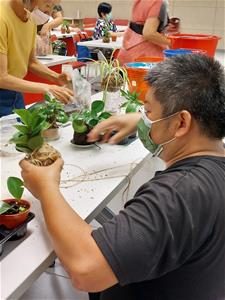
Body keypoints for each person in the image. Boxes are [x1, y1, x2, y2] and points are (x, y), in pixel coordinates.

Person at [20, 54, 225, 300]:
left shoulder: (177, 194)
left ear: (181, 122)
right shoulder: (213, 168)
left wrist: (46, 188)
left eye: (149, 111)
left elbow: (86, 270)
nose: (145, 119)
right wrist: (142, 120)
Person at [0, 0, 73, 118]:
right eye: (47, 4)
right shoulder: (2, 16)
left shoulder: (30, 21)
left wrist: (56, 78)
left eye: (53, 7)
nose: (49, 12)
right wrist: (47, 88)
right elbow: (2, 77)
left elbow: (31, 62)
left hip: (16, 92)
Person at [117, 0, 171, 65]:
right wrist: (173, 42)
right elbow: (149, 33)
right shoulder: (157, 2)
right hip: (145, 54)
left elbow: (141, 21)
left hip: (129, 49)